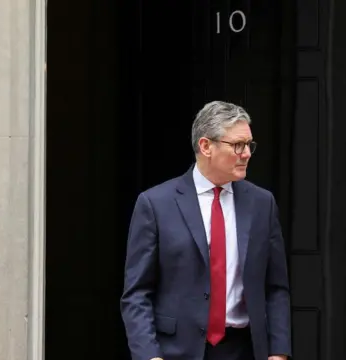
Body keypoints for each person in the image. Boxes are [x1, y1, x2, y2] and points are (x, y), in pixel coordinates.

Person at [120, 101, 291, 360]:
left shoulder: (262, 204)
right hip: (175, 351)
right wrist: (149, 356)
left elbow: (276, 287)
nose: (246, 153)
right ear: (206, 146)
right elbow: (137, 294)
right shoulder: (156, 204)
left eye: (249, 145)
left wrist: (279, 353)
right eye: (237, 145)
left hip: (243, 349)